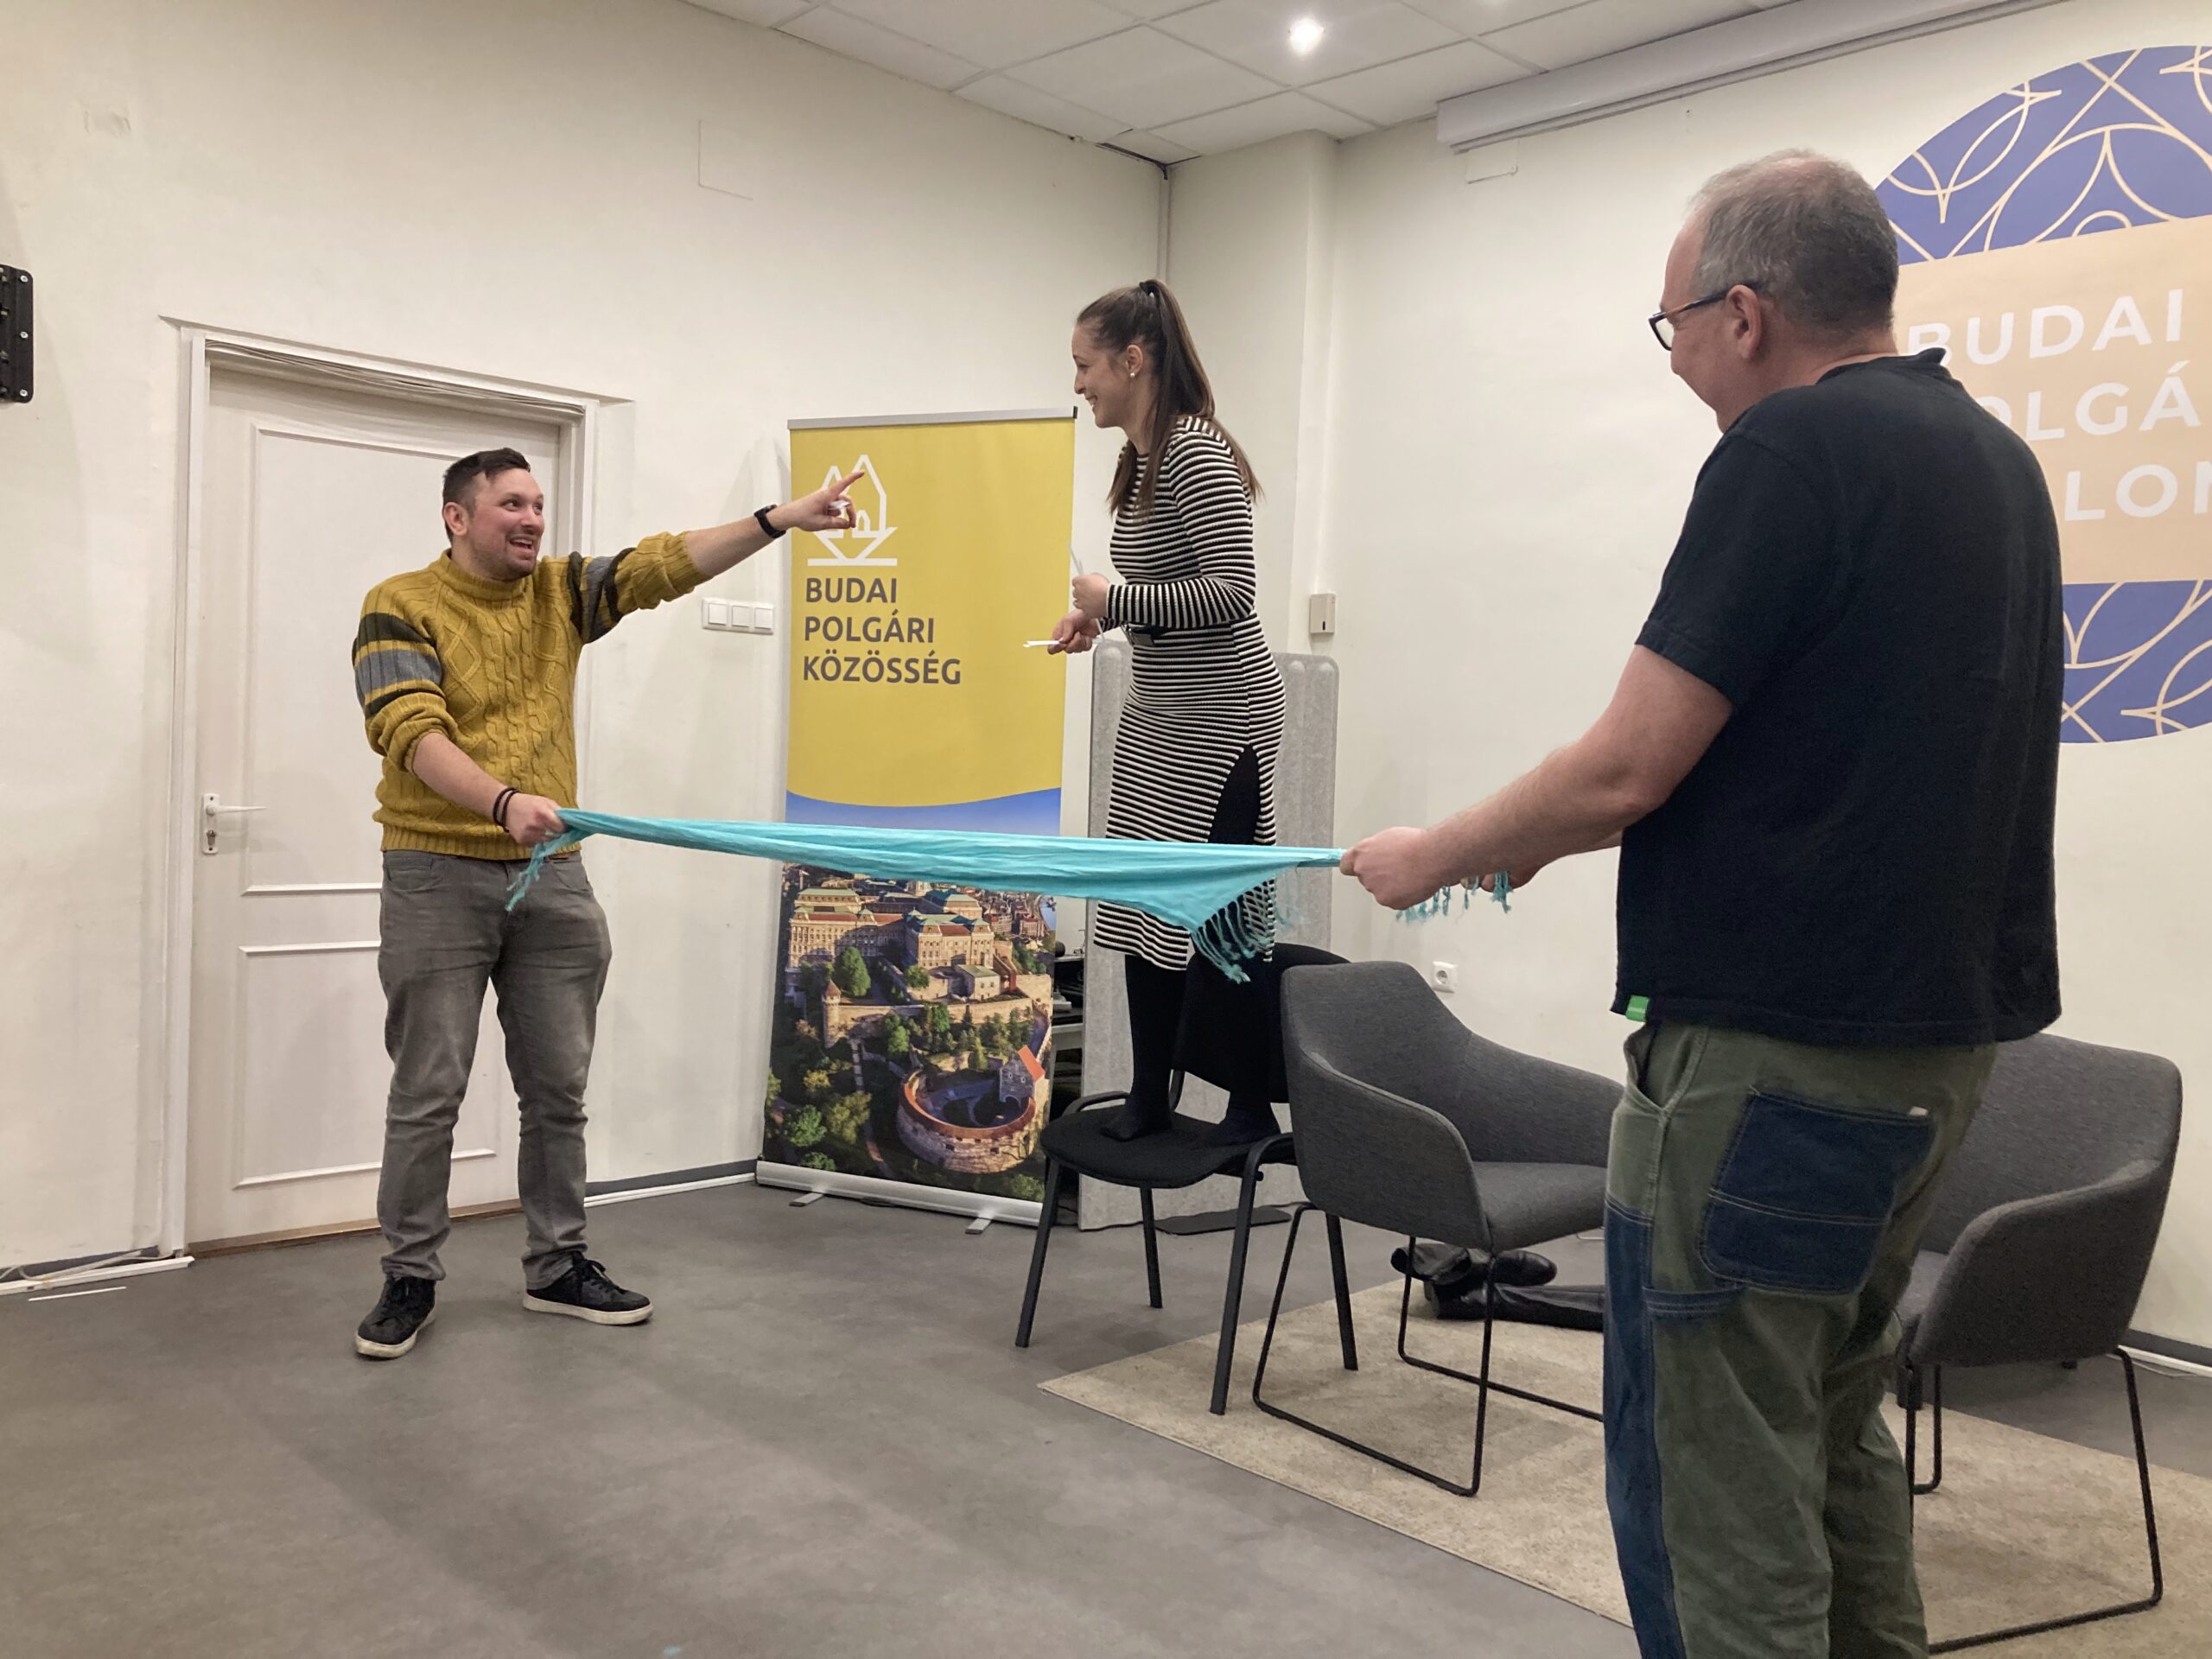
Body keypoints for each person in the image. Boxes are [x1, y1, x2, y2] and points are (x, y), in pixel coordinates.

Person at [1344, 152, 2061, 1657]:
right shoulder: (1994, 461)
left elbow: (1627, 764)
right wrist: (1536, 845)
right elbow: (1830, 754)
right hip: (1935, 1054)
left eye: (1671, 326)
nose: (1672, 360)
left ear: (1744, 314)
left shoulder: (1788, 450)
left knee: (1715, 1483)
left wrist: (1440, 853)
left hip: (1772, 1066)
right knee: (1831, 1425)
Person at [349, 448, 861, 1360]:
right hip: (436, 873)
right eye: (511, 504)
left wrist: (777, 520)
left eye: (538, 504)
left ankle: (557, 1265)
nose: (532, 519)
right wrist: (501, 802)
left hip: (553, 875)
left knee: (559, 1090)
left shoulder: (558, 594)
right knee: (428, 1091)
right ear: (457, 517)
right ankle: (410, 1275)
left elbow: (662, 565)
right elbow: (409, 731)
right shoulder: (399, 602)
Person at [1051, 279, 1288, 1143]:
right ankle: (1150, 1095)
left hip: (1222, 719)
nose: (1079, 383)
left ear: (1132, 360)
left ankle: (1248, 1109)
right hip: (1160, 715)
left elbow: (1232, 592)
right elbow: (1173, 592)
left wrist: (1115, 600)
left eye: (1086, 365)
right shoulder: (1141, 459)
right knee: (1140, 906)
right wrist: (1102, 618)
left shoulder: (1193, 450)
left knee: (1222, 918)